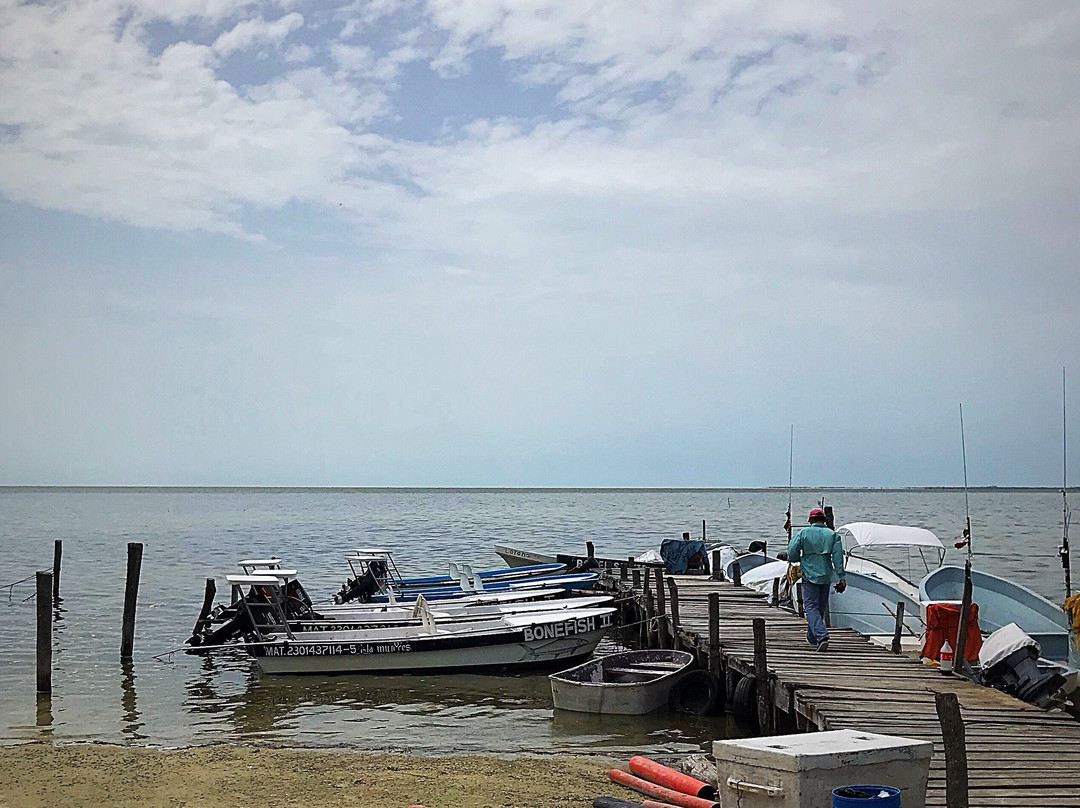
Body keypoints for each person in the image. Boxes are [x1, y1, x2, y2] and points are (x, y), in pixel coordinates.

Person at [787, 507, 846, 651]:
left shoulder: (803, 533)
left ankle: (821, 635)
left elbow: (792, 552)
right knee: (819, 607)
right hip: (826, 574)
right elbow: (838, 558)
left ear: (811, 520)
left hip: (809, 573)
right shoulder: (833, 535)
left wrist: (798, 559)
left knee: (810, 607)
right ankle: (812, 638)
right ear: (825, 520)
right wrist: (841, 577)